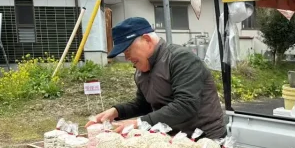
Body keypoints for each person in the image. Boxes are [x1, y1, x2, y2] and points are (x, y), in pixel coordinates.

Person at [87, 17, 226, 139]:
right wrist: (116, 111)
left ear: (147, 39)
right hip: (172, 140)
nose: (127, 57)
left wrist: (139, 123)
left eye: (127, 51)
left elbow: (186, 105)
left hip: (206, 139)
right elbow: (144, 105)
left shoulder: (181, 59)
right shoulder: (141, 71)